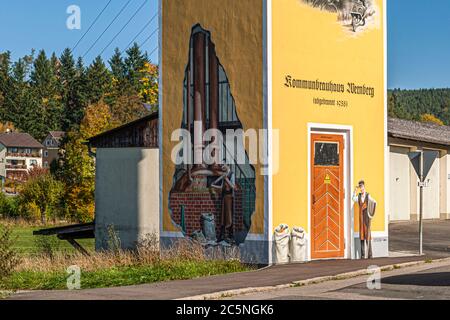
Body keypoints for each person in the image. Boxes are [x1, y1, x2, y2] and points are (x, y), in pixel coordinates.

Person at [352, 180, 377, 259]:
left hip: (366, 218)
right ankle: (363, 255)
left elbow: (374, 202)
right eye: (360, 187)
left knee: (368, 235)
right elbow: (353, 198)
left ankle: (370, 255)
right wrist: (355, 190)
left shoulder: (368, 196)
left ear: (364, 187)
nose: (361, 189)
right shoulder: (359, 196)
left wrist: (371, 212)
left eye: (362, 187)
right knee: (362, 236)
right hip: (361, 218)